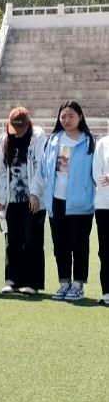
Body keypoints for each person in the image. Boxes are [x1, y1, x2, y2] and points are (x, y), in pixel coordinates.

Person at [41, 101, 95, 302]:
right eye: (63, 116)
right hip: (57, 202)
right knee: (60, 245)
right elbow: (44, 168)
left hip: (81, 204)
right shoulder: (53, 140)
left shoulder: (89, 142)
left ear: (80, 117)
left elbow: (94, 173)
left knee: (79, 246)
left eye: (71, 116)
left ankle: (78, 285)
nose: (66, 120)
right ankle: (64, 283)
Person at [0, 107, 47, 295]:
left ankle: (32, 283)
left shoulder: (38, 138)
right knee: (12, 240)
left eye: (21, 128)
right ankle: (13, 281)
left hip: (33, 199)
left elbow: (41, 167)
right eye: (14, 128)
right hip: (11, 199)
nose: (17, 132)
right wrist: (2, 197)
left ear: (28, 124)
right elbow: (0, 169)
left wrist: (35, 193)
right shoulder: (4, 139)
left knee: (32, 240)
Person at [93, 129, 109, 305]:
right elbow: (97, 173)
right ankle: (107, 292)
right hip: (104, 205)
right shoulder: (103, 143)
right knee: (105, 251)